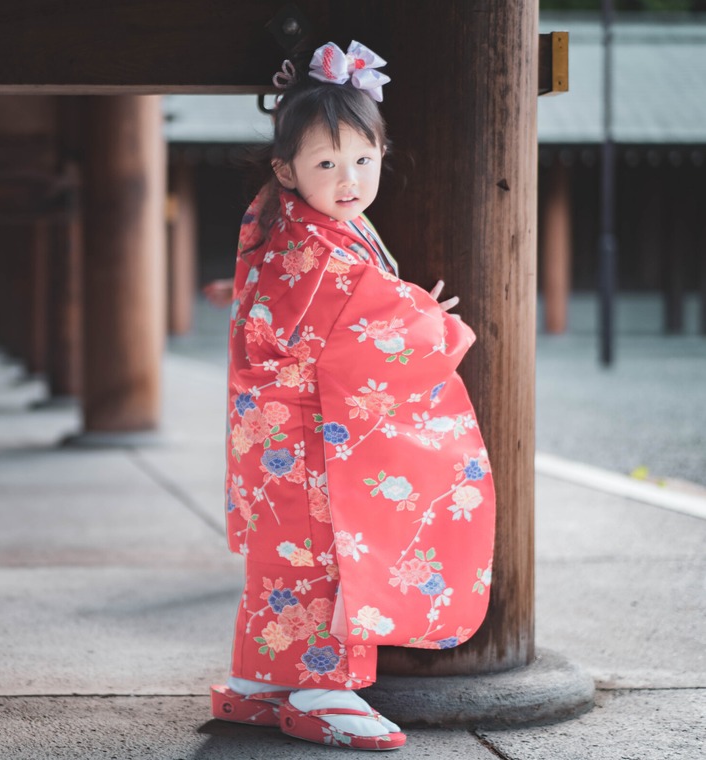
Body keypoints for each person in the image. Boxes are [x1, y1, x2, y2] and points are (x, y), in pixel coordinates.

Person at [208, 41, 496, 751]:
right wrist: (430, 320)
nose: (349, 180)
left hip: (276, 432)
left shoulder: (276, 221)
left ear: (382, 153)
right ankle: (321, 693)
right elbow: (372, 329)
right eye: (327, 164)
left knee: (284, 560)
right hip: (311, 438)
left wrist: (395, 305)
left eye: (364, 160)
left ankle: (258, 682)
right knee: (332, 558)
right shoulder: (321, 249)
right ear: (286, 169)